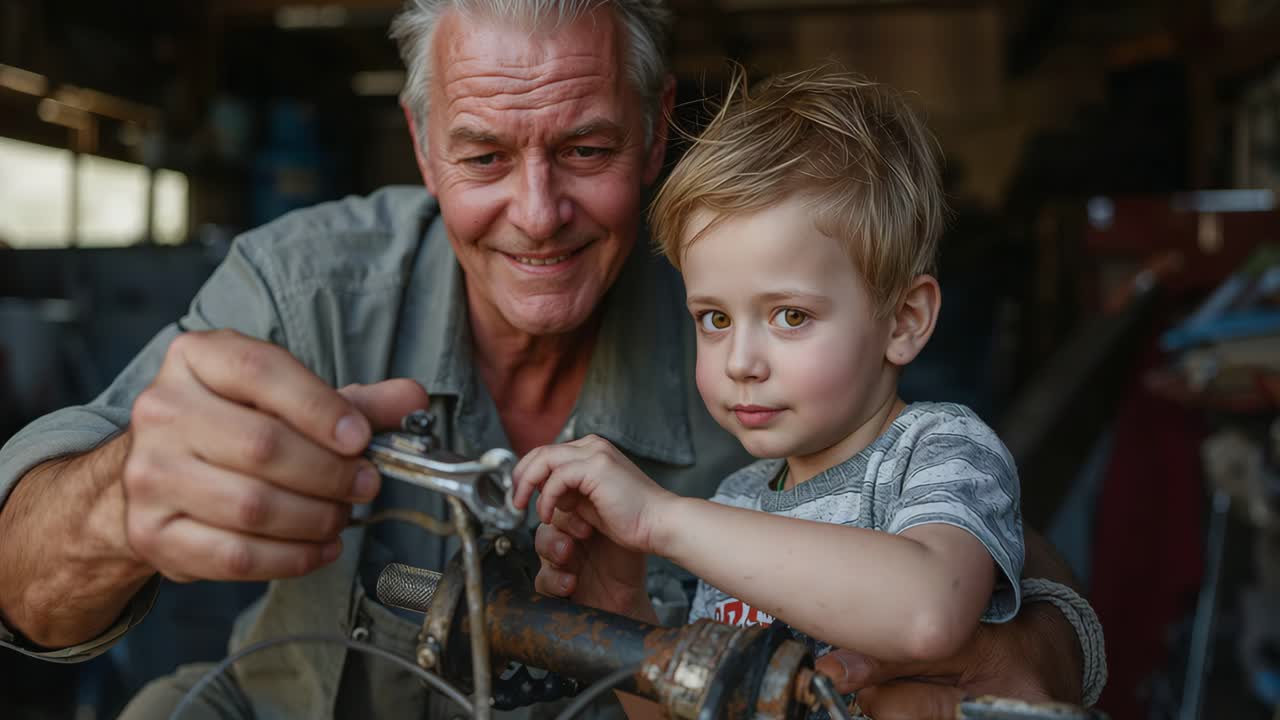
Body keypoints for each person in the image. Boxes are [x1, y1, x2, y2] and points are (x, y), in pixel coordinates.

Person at [0, 1, 1097, 718]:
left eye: (585, 149)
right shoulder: (303, 289)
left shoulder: (745, 312)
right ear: (424, 145)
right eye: (482, 154)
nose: (537, 214)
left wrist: (1053, 643)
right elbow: (21, 580)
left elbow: (972, 537)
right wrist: (113, 506)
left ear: (656, 129)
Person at [513, 68, 1034, 716]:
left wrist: (661, 519)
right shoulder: (738, 504)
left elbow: (929, 611)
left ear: (903, 321)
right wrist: (620, 610)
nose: (741, 362)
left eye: (790, 316)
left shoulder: (938, 451)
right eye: (714, 319)